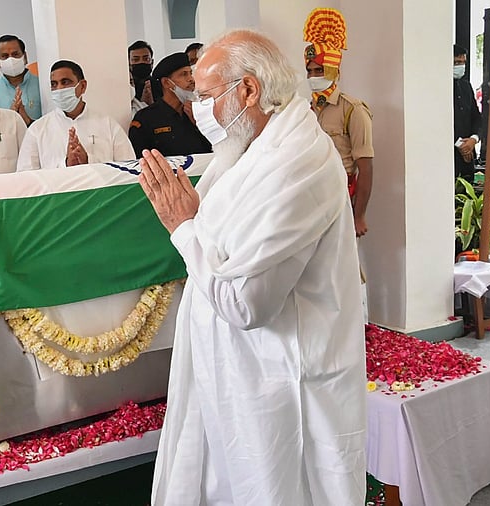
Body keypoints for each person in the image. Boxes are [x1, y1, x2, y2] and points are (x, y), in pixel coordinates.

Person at [140, 30, 365, 505]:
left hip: (281, 383)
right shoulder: (246, 149)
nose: (198, 110)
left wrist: (183, 227)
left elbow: (246, 305)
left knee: (275, 489)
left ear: (248, 90)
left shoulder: (297, 163)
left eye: (206, 97)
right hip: (238, 375)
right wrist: (193, 222)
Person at [303, 8, 374, 237]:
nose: (313, 76)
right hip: (311, 198)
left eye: (319, 70)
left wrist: (359, 215)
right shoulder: (305, 110)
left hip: (342, 195)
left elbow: (365, 168)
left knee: (342, 256)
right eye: (310, 71)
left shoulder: (352, 109)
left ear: (333, 71)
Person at [18, 60, 134, 171]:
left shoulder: (108, 125)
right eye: (54, 84)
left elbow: (129, 169)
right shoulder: (37, 130)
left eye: (65, 82)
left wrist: (89, 161)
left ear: (82, 86)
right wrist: (65, 164)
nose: (59, 89)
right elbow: (26, 176)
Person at [129, 52, 211, 156]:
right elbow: (139, 156)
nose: (191, 79)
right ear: (166, 83)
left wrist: (199, 124)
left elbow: (215, 147)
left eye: (191, 73)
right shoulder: (146, 118)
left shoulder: (200, 112)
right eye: (184, 74)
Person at [0, 35, 41, 125]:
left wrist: (28, 121)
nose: (11, 59)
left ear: (25, 56)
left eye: (15, 54)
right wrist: (10, 117)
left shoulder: (41, 85)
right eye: (5, 56)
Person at [454, 44, 482, 179]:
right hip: (447, 154)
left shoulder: (466, 86)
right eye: (456, 63)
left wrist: (473, 139)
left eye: (463, 62)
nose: (461, 66)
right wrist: (460, 145)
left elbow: (476, 117)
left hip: (468, 154)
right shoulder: (438, 88)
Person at [129, 40, 155, 106]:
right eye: (136, 60)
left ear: (152, 62)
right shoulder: (125, 88)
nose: (141, 62)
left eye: (146, 59)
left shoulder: (161, 86)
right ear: (128, 63)